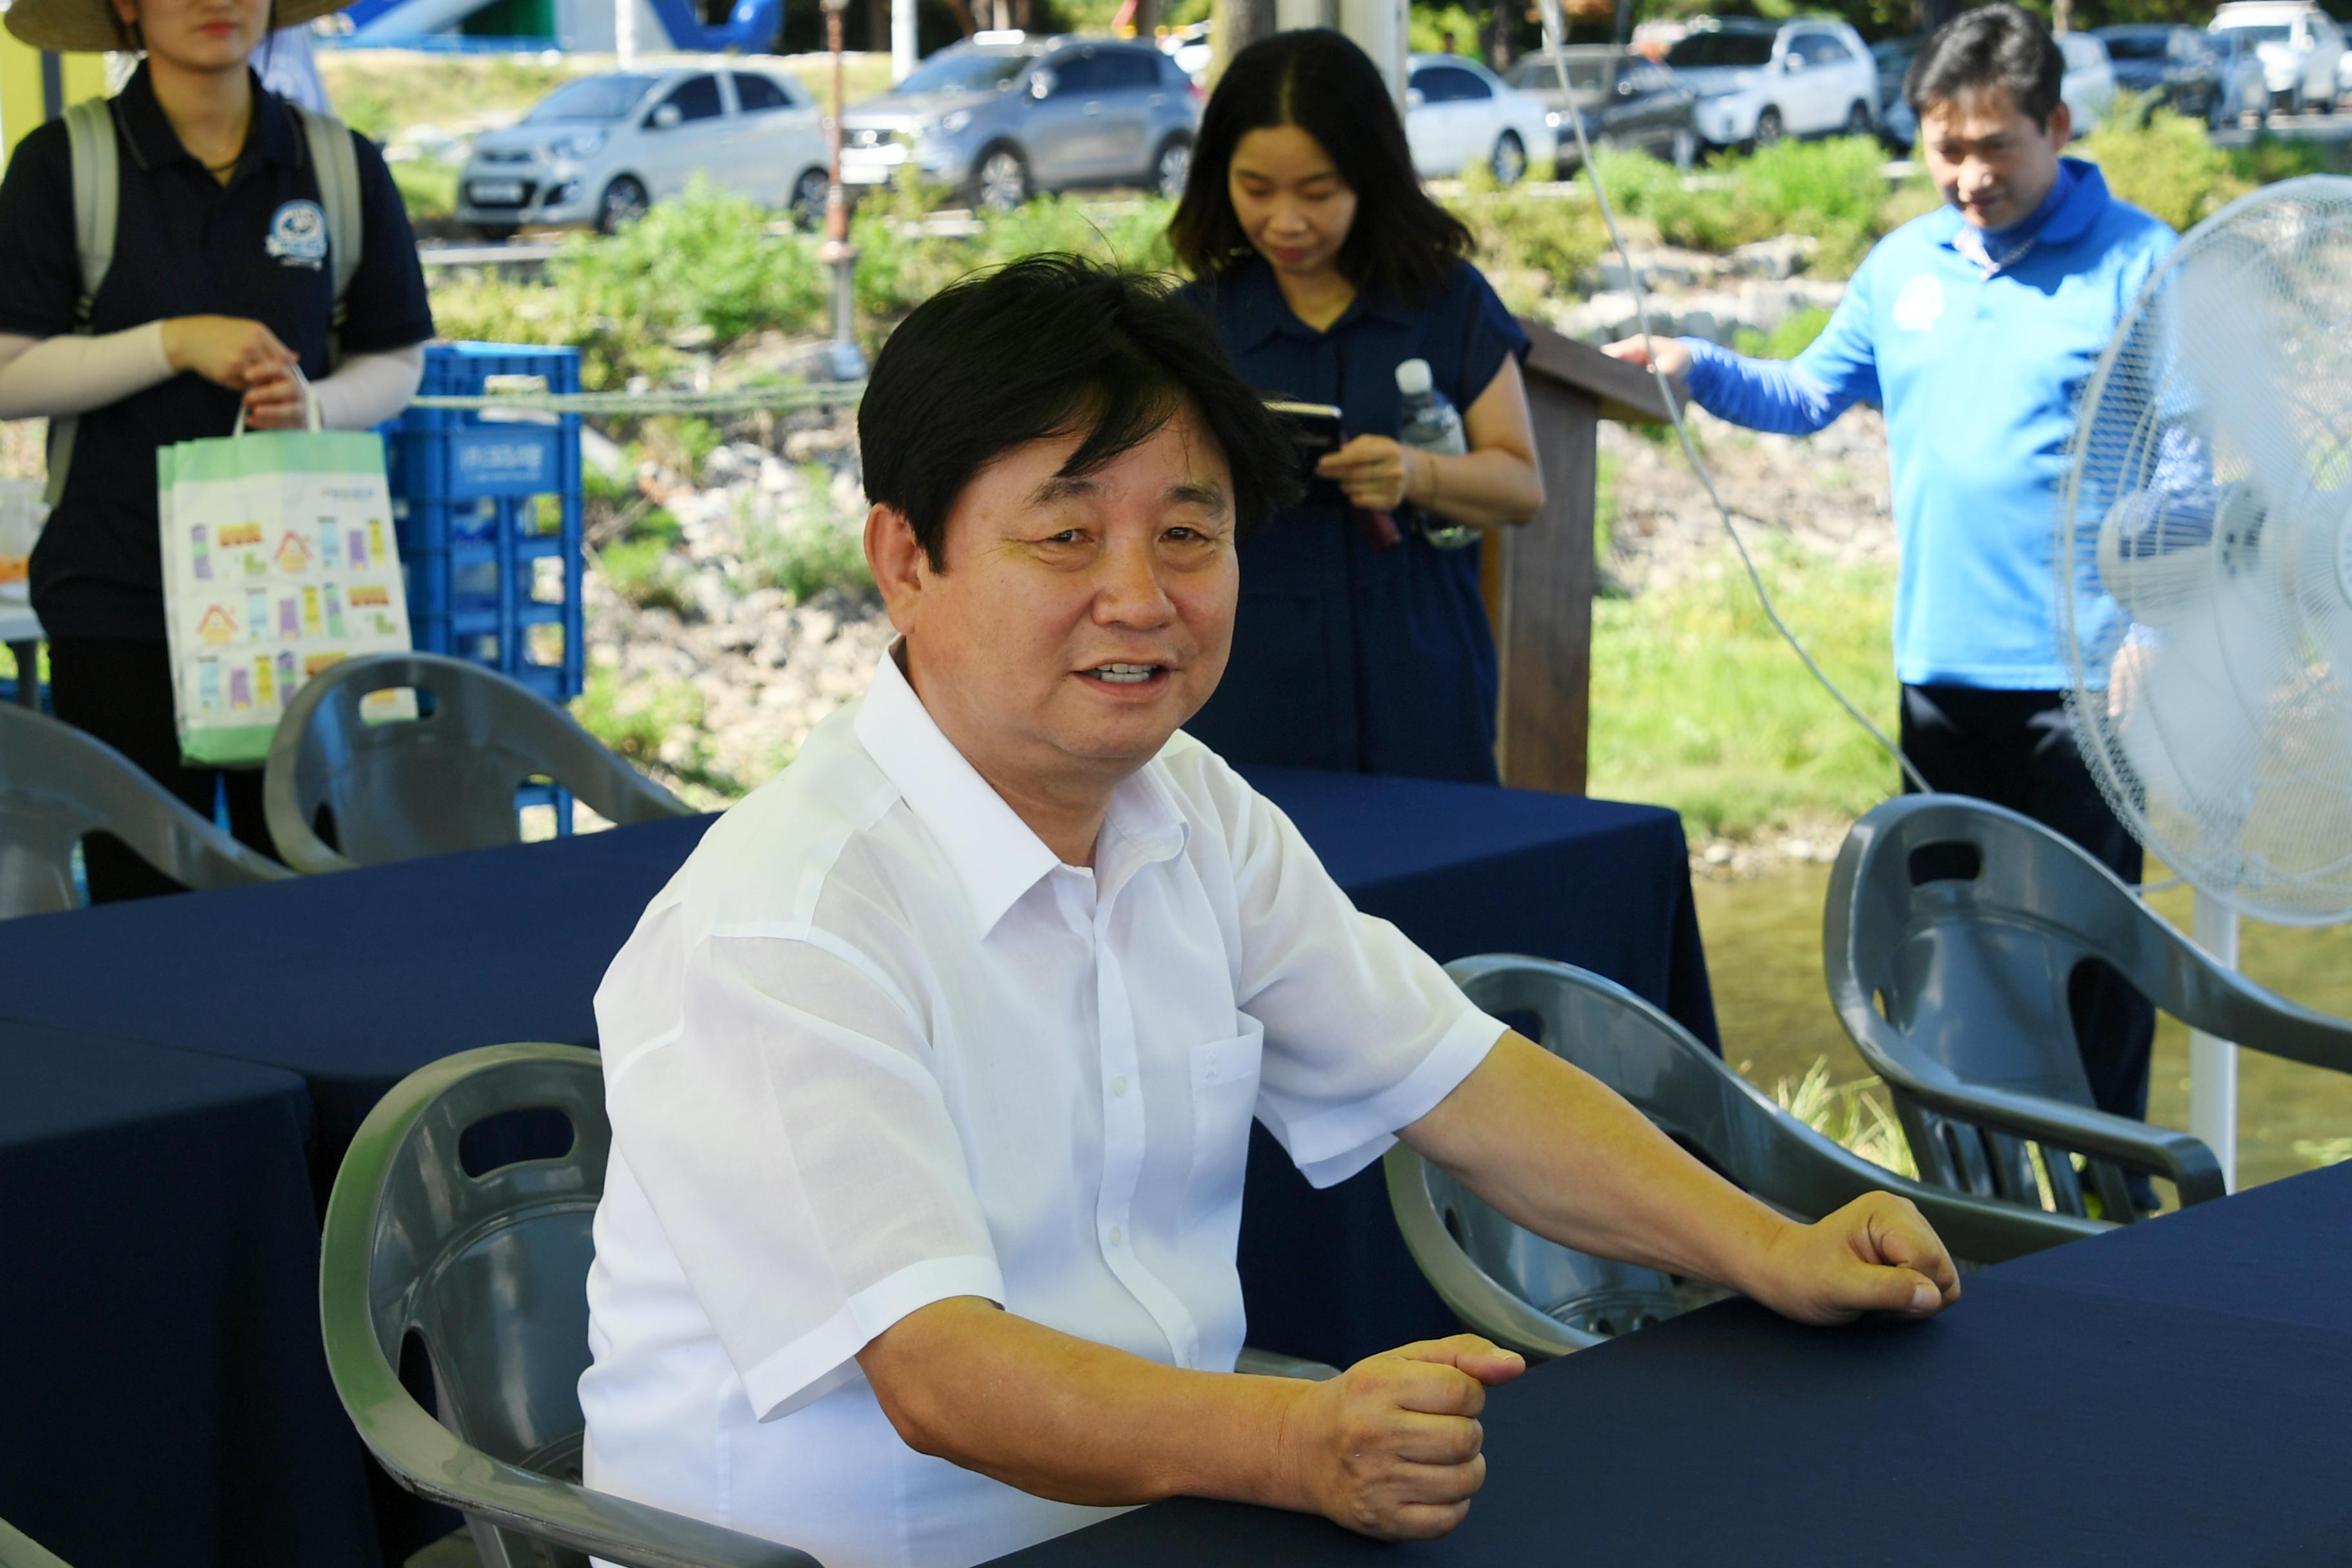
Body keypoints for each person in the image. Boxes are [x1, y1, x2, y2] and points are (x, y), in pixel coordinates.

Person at [581, 255, 1963, 1568]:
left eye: (1189, 532)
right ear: (905, 560)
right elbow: (940, 1376)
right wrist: (1296, 1441)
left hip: (1167, 1522)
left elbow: (1460, 1079)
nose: (1141, 596)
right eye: (1066, 536)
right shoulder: (786, 920)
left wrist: (1769, 1247)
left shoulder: (1190, 807)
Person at [1606, 5, 2171, 1177]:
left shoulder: (2140, 261)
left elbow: (2195, 465)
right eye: (1944, 148)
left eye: (1995, 148)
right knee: (1948, 963)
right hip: (1936, 682)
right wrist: (1693, 366)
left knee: (2088, 963)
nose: (1968, 175)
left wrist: (2157, 618)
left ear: (2056, 125)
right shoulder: (1900, 265)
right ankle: (1986, 1199)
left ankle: (2115, 1199)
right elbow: (1808, 394)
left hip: (2084, 690)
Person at [0, 0, 432, 901]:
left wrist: (317, 404)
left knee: (315, 885)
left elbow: (396, 358)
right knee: (142, 898)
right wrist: (174, 342)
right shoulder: (63, 163)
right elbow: (10, 374)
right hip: (117, 597)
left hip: (301, 604)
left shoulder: (340, 165)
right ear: (126, 4)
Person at [1168, 29, 1544, 783]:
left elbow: (1521, 486)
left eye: (1317, 192)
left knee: (1430, 883)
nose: (1286, 221)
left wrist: (1418, 474)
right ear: (1219, 178)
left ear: (1369, 177)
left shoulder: (1447, 302)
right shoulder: (1194, 325)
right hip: (1250, 683)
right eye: (1255, 189)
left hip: (1420, 671)